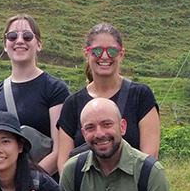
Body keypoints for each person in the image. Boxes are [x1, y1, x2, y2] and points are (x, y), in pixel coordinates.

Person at [55, 23, 161, 174]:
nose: (104, 56)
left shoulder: (141, 96)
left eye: (112, 51)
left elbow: (150, 157)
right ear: (87, 54)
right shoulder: (72, 103)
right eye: (97, 51)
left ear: (121, 54)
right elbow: (64, 164)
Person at [0, 15, 70, 175]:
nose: (20, 40)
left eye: (27, 36)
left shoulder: (55, 89)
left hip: (41, 184)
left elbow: (60, 149)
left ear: (39, 44)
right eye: (12, 36)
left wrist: (30, 182)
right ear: (5, 45)